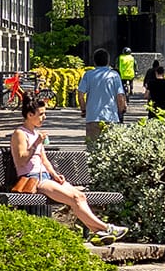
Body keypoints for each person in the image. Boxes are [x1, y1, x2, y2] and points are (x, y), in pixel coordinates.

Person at [9, 96, 125, 241]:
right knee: (74, 198)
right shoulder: (20, 133)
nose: (44, 117)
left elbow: (44, 160)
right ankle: (106, 228)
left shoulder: (36, 134)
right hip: (33, 179)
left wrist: (54, 174)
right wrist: (36, 143)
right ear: (30, 115)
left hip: (46, 176)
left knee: (80, 196)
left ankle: (98, 232)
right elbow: (21, 161)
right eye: (41, 114)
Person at [77, 49, 127, 150]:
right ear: (108, 61)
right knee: (111, 149)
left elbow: (80, 94)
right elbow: (120, 96)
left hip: (92, 117)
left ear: (94, 61)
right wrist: (120, 110)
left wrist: (84, 109)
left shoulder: (88, 75)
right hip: (111, 117)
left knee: (92, 149)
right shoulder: (114, 75)